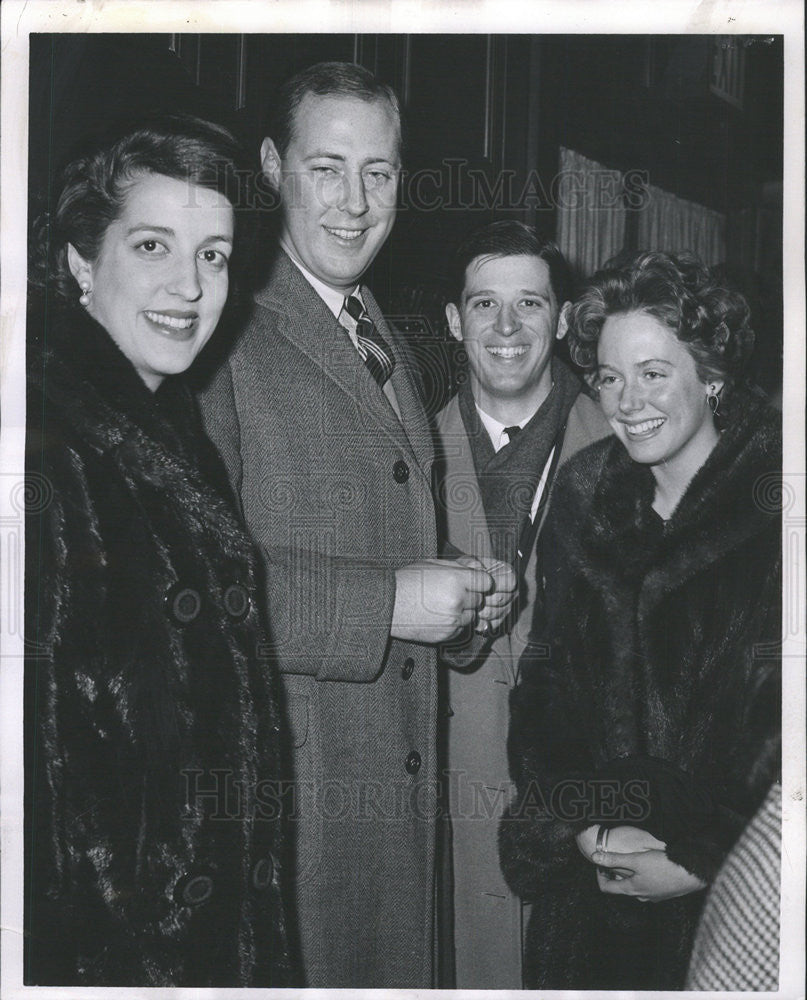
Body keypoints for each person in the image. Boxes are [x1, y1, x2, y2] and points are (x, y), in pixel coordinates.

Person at [196, 62, 515, 989]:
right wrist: (387, 605)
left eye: (377, 172)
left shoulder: (380, 324)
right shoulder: (217, 328)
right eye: (326, 167)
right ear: (269, 167)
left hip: (389, 808)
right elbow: (194, 583)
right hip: (295, 819)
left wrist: (456, 599)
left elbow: (379, 543)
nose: (354, 200)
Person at [25, 115, 292, 987]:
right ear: (77, 261)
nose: (189, 287)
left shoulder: (170, 431)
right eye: (152, 246)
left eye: (213, 255)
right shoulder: (43, 447)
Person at [500, 251, 781, 989]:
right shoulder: (583, 495)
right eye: (609, 377)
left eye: (653, 374)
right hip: (588, 903)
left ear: (711, 376)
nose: (626, 402)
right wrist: (584, 830)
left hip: (735, 902)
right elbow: (543, 684)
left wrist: (703, 857)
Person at [433, 220, 610, 988]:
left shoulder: (629, 453)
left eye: (529, 305)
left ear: (563, 318)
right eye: (483, 306)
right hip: (442, 820)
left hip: (584, 826)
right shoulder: (404, 452)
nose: (505, 329)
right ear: (452, 319)